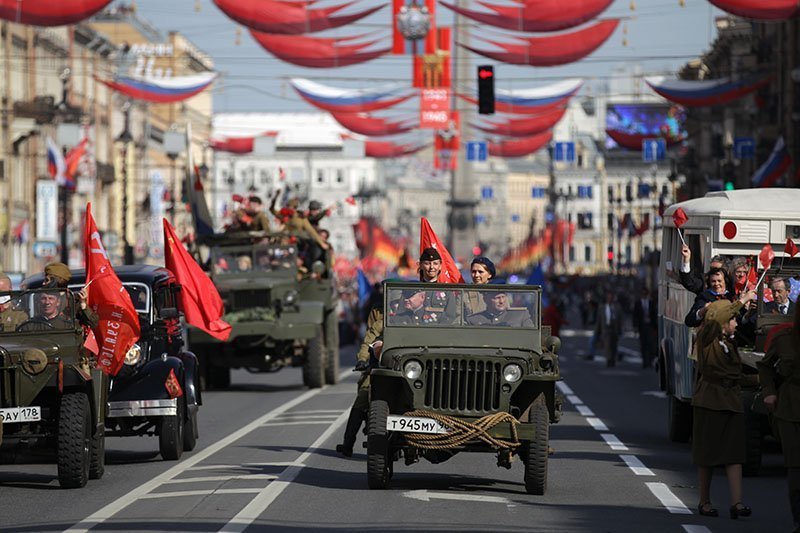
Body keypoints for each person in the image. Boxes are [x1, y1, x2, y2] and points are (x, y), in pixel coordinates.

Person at [691, 299, 752, 520]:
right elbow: (716, 318)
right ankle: (704, 501)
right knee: (707, 454)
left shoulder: (731, 343)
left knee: (734, 454)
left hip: (731, 402)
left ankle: (737, 503)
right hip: (710, 400)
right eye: (733, 319)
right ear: (722, 321)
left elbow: (737, 374)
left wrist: (759, 380)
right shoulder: (707, 340)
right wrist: (741, 301)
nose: (736, 323)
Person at [758, 304, 800, 532]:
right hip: (791, 407)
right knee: (795, 467)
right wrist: (769, 392)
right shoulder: (785, 337)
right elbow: (764, 366)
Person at [684, 268, 755, 328]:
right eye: (713, 281)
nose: (716, 284)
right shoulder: (704, 296)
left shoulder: (732, 297)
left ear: (725, 281)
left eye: (719, 281)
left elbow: (740, 322)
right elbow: (689, 321)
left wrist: (748, 313)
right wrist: (702, 311)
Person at [43, 262, 98, 329]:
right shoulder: (40, 299)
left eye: (47, 280)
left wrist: (83, 304)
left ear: (56, 281)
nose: (43, 283)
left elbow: (93, 323)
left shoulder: (73, 300)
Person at [467, 292, 533, 327]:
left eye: (503, 297)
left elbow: (531, 338)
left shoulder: (521, 315)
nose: (501, 301)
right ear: (486, 299)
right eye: (497, 298)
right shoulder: (473, 320)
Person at [595, 290, 622, 367]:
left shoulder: (617, 307)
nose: (610, 299)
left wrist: (620, 329)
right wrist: (597, 331)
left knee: (614, 345)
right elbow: (599, 320)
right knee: (607, 345)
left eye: (611, 297)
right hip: (606, 328)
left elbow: (620, 319)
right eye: (609, 297)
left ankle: (612, 359)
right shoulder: (602, 307)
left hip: (615, 329)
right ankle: (608, 359)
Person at [633, 287, 658, 368]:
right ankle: (644, 361)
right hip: (642, 325)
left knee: (650, 344)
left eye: (645, 293)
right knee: (643, 344)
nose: (644, 295)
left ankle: (650, 361)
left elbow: (654, 314)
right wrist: (635, 327)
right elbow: (635, 315)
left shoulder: (651, 303)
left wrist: (655, 327)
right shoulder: (638, 303)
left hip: (650, 325)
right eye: (643, 293)